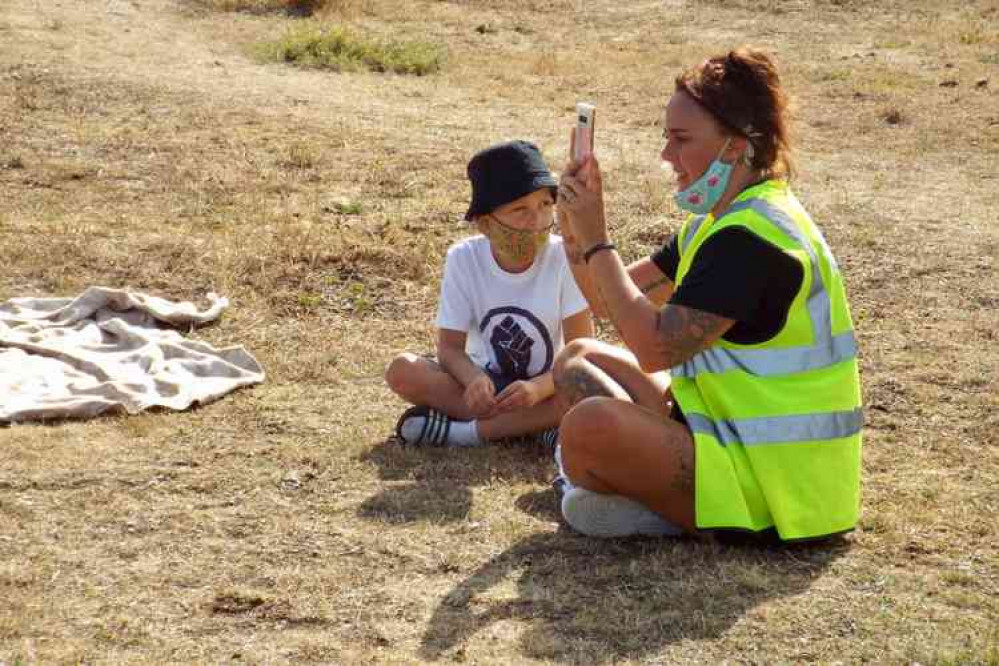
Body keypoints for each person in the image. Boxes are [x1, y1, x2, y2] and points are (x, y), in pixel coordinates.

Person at [552, 47, 863, 542]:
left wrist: (597, 239)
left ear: (735, 146)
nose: (666, 157)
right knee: (578, 357)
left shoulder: (751, 240)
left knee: (589, 425)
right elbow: (612, 302)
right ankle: (629, 490)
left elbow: (652, 348)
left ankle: (652, 508)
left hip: (774, 496)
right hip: (730, 440)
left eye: (680, 140)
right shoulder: (724, 223)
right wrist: (576, 240)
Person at [386, 140, 594, 448]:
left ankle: (463, 434)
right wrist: (473, 380)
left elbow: (582, 351)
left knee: (588, 390)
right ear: (485, 224)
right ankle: (537, 429)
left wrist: (538, 388)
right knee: (402, 371)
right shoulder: (464, 257)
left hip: (549, 386)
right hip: (488, 386)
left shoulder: (566, 256)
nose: (536, 220)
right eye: (519, 209)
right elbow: (449, 349)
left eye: (545, 204)